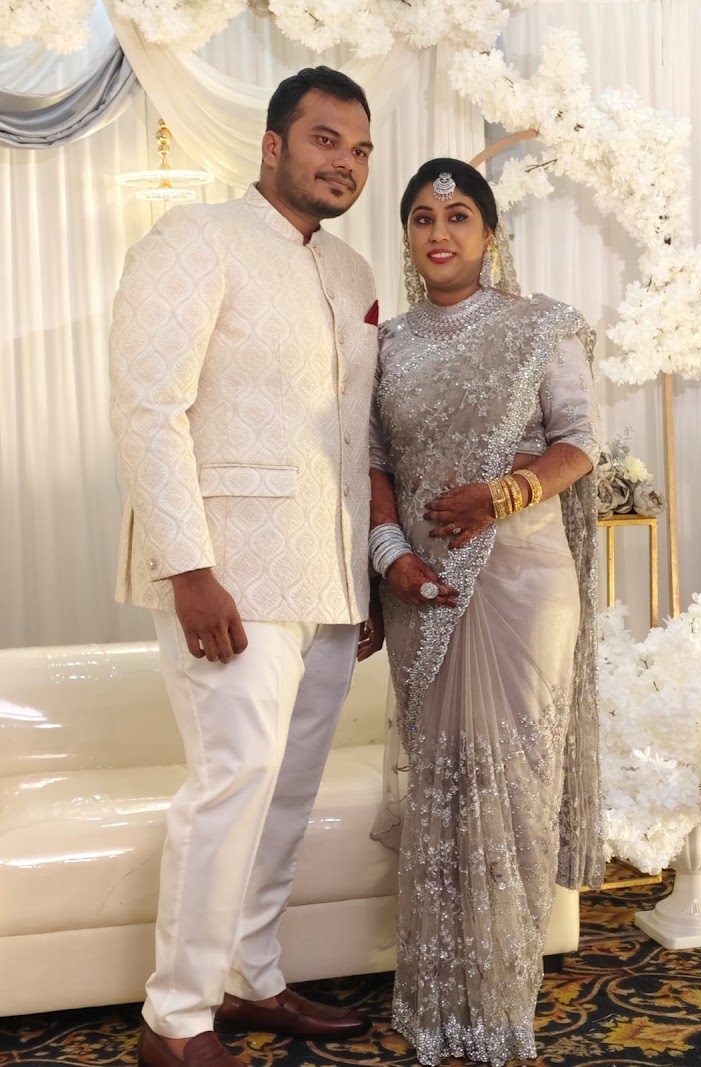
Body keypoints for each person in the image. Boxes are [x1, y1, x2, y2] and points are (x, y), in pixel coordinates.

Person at [109, 67, 383, 1067]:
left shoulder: (352, 270)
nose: (343, 162)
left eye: (358, 148)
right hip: (225, 573)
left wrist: (361, 579)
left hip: (325, 578)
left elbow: (354, 435)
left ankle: (249, 972)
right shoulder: (196, 238)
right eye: (324, 139)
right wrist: (188, 567)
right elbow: (148, 408)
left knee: (286, 788)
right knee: (234, 779)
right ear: (272, 145)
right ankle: (176, 1017)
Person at [368, 158, 605, 1067]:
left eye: (459, 215)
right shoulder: (386, 344)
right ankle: (438, 1006)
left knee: (514, 787)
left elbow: (578, 443)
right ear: (407, 236)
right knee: (442, 784)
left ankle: (502, 1006)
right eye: (423, 218)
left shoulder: (541, 325)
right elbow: (374, 462)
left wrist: (502, 495)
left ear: (491, 233)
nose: (440, 232)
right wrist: (389, 554)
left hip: (523, 581)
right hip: (422, 588)